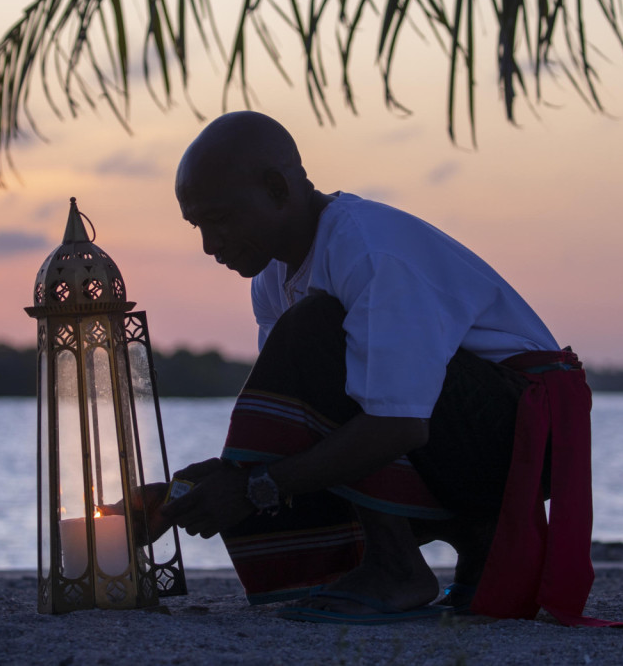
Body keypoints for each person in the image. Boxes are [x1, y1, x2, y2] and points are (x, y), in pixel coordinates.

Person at [159, 110, 598, 625]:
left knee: (322, 328)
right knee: (312, 400)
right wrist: (201, 487)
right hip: (473, 433)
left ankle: (397, 566)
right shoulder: (271, 282)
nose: (211, 245)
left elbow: (397, 423)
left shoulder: (362, 248)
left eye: (221, 219)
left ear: (278, 189)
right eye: (199, 226)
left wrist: (255, 487)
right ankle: (477, 542)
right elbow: (300, 424)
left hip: (524, 433)